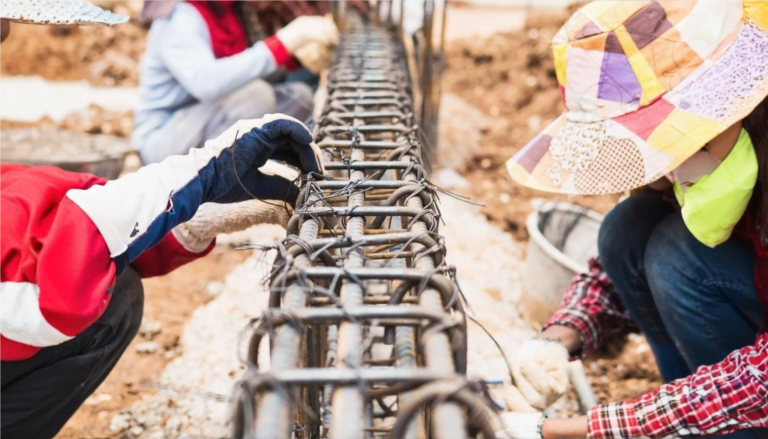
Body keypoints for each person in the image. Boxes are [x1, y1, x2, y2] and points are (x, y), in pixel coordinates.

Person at [0, 2, 324, 438]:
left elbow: (30, 197)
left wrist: (186, 219)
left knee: (120, 290)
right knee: (109, 303)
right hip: (167, 135)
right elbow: (43, 290)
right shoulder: (184, 16)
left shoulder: (227, 15)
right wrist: (198, 174)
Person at [497, 1, 768, 439]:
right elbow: (613, 269)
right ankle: (693, 424)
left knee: (676, 257)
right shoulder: (717, 156)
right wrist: (559, 336)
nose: (668, 166)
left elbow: (760, 380)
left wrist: (571, 430)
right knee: (629, 227)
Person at [133, 0, 339, 164]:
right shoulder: (181, 15)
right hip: (164, 138)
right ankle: (217, 185)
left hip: (209, 115)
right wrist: (279, 46)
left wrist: (292, 59)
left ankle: (268, 167)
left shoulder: (228, 10)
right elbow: (205, 82)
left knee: (300, 97)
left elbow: (240, 73)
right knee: (256, 96)